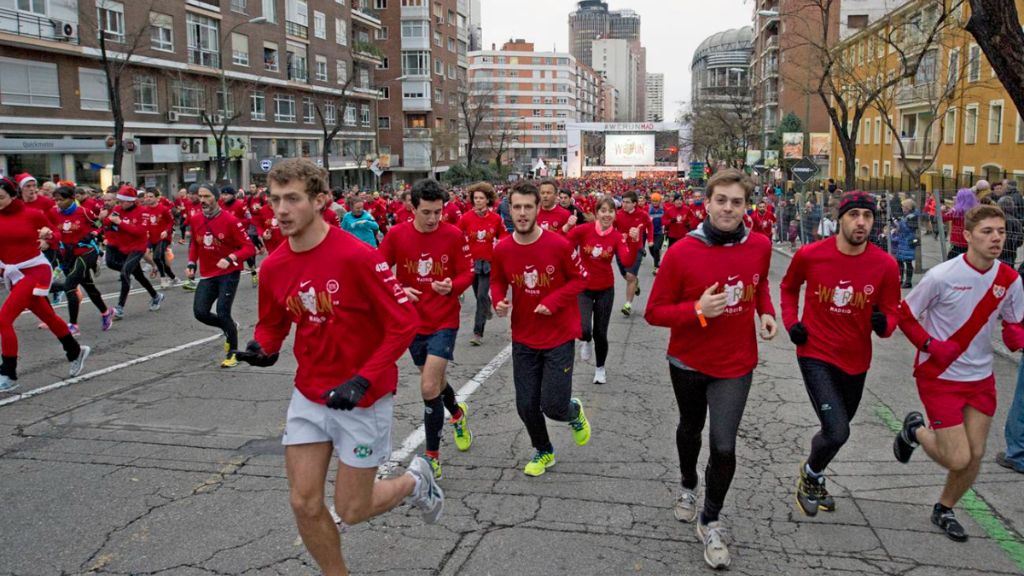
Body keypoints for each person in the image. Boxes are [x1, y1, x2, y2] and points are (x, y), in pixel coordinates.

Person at [233, 158, 442, 576]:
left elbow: (405, 323)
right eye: (275, 200)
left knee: (352, 508)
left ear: (321, 200)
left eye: (292, 199)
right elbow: (274, 324)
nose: (281, 210)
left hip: (363, 398)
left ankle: (415, 482)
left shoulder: (357, 257)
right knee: (303, 501)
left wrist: (363, 377)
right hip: (310, 394)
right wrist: (264, 348)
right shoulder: (274, 265)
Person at [644, 169, 777, 570]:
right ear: (707, 202)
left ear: (745, 206)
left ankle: (711, 519)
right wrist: (697, 311)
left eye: (737, 202)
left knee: (723, 445)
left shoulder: (760, 245)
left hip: (736, 363)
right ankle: (688, 485)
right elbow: (653, 312)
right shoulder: (683, 251)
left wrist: (765, 311)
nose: (728, 209)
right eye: (721, 200)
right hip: (687, 360)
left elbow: (760, 282)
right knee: (690, 428)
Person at [893, 204, 1024, 542]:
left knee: (975, 454)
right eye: (987, 232)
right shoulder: (942, 276)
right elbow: (904, 315)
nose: (996, 238)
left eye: (1000, 232)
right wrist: (930, 345)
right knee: (958, 456)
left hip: (980, 378)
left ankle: (945, 507)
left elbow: (1013, 323)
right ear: (967, 236)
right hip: (939, 375)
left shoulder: (1010, 279)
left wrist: (1017, 339)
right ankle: (916, 430)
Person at [780, 191, 901, 517]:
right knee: (837, 430)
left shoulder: (885, 265)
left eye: (867, 215)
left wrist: (883, 323)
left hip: (856, 361)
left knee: (837, 431)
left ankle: (815, 476)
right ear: (840, 218)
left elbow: (892, 314)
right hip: (815, 352)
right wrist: (793, 323)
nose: (861, 222)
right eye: (854, 215)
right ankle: (809, 477)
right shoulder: (810, 255)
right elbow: (789, 288)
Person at [491, 179, 592, 477]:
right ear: (510, 210)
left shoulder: (558, 245)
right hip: (523, 337)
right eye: (517, 207)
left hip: (558, 337)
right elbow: (498, 280)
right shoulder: (503, 249)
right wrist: (498, 300)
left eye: (528, 207)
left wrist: (554, 300)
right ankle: (544, 450)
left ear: (538, 209)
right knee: (526, 405)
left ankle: (572, 412)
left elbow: (580, 278)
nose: (522, 213)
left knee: (553, 406)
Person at [380, 179, 475, 480]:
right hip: (411, 322)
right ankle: (457, 415)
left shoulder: (453, 234)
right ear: (413, 207)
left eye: (438, 212)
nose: (434, 218)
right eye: (427, 212)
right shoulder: (396, 235)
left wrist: (452, 286)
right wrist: (399, 289)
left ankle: (432, 456)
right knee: (434, 382)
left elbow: (467, 273)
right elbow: (379, 271)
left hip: (444, 320)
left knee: (428, 387)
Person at [0, 177, 90, 392]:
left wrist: (47, 238)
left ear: (13, 196)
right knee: (48, 316)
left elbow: (57, 234)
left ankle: (8, 373)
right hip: (14, 274)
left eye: (1, 197)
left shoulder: (32, 214)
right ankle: (75, 351)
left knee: (3, 319)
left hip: (34, 270)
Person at [186, 182, 256, 368]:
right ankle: (228, 327)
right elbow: (195, 243)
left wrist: (231, 257)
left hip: (229, 272)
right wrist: (191, 263)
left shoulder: (230, 220)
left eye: (207, 196)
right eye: (200, 197)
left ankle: (233, 352)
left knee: (223, 312)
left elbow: (249, 248)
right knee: (200, 312)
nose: (202, 200)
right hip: (208, 273)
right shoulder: (196, 219)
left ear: (216, 198)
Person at [568, 195, 637, 384]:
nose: (607, 215)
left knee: (601, 333)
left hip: (605, 289)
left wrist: (633, 241)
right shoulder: (584, 230)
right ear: (596, 212)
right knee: (584, 329)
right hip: (583, 287)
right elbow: (563, 244)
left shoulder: (616, 237)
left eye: (611, 211)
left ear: (615, 214)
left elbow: (628, 261)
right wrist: (567, 227)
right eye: (603, 211)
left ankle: (600, 368)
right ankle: (586, 340)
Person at [53, 186, 114, 336]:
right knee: (88, 286)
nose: (58, 203)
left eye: (61, 200)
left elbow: (100, 224)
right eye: (56, 200)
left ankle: (73, 325)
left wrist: (94, 233)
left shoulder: (83, 212)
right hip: (70, 254)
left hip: (87, 251)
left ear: (71, 198)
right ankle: (106, 312)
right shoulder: (56, 214)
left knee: (70, 285)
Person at [102, 185, 164, 319]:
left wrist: (119, 222)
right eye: (119, 201)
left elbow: (139, 232)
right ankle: (156, 296)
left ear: (131, 201)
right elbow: (108, 222)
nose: (119, 204)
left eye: (122, 201)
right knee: (136, 275)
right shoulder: (118, 209)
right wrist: (106, 219)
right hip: (123, 247)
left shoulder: (143, 212)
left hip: (137, 248)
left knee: (125, 273)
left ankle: (120, 308)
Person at [457, 182, 504, 346]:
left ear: (488, 199)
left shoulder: (496, 218)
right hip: (471, 262)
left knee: (482, 295)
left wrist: (501, 246)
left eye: (481, 198)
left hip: (489, 262)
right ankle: (487, 306)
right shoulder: (466, 218)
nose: (477, 201)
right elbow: (457, 236)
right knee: (479, 296)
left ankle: (477, 333)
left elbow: (504, 236)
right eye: (475, 198)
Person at [615, 191, 654, 316]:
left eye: (627, 202)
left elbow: (650, 225)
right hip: (621, 248)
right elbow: (612, 228)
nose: (624, 205)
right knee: (625, 275)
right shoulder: (618, 214)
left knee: (630, 276)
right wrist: (619, 236)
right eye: (623, 202)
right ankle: (635, 283)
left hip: (636, 248)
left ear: (634, 204)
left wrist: (651, 240)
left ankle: (628, 304)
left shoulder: (642, 215)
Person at [141, 189, 178, 289]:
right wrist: (144, 231)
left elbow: (171, 222)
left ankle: (163, 279)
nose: (148, 199)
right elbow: (143, 223)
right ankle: (172, 277)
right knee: (157, 259)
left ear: (157, 198)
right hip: (150, 238)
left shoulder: (164, 209)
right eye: (146, 197)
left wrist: (166, 231)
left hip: (162, 237)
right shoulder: (144, 210)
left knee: (157, 257)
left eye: (150, 196)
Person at [942, 189, 978, 261]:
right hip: (971, 241)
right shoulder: (976, 210)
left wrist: (942, 211)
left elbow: (943, 218)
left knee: (952, 262)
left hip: (957, 242)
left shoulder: (956, 210)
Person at [648, 192, 665, 274]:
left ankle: (656, 267)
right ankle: (657, 259)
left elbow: (668, 217)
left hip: (660, 233)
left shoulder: (663, 209)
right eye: (653, 201)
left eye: (656, 201)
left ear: (660, 201)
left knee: (656, 248)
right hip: (650, 233)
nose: (655, 202)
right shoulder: (648, 210)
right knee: (651, 249)